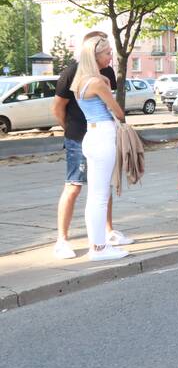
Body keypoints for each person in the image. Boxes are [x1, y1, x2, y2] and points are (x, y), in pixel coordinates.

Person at [51, 31, 131, 259]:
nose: (110, 57)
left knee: (96, 195)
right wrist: (105, 87)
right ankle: (98, 247)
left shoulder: (79, 81)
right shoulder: (97, 81)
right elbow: (118, 111)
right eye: (107, 53)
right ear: (95, 55)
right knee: (98, 195)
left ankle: (98, 244)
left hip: (89, 136)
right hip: (102, 134)